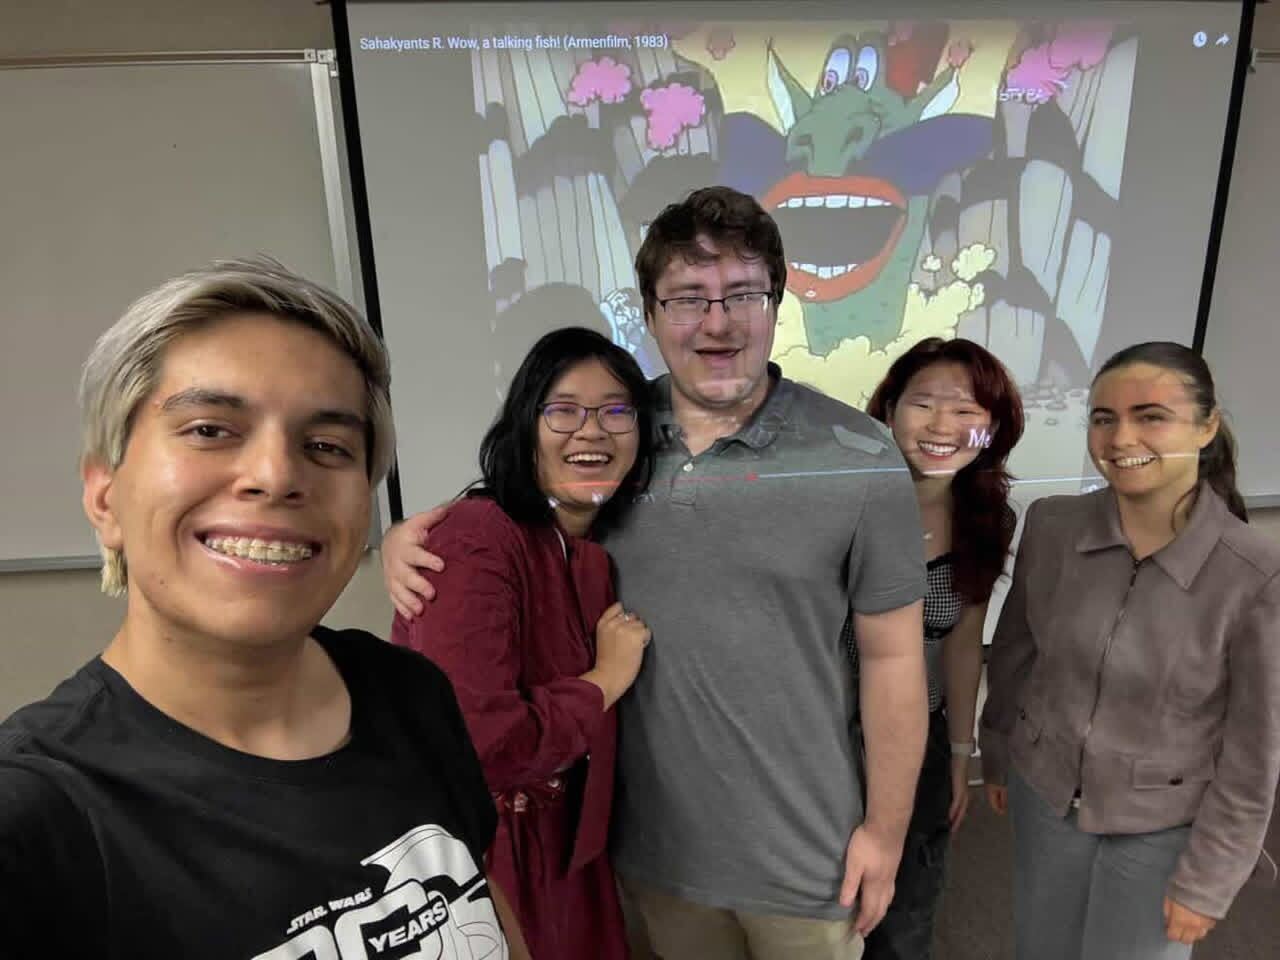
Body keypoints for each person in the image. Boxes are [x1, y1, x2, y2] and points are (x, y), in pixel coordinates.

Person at [382, 185, 930, 960]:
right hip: (644, 857)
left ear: (777, 303)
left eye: (743, 293)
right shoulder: (611, 437)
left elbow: (893, 658)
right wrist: (406, 537)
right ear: (650, 312)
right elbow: (508, 515)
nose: (717, 322)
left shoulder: (860, 455)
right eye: (687, 297)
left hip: (811, 857)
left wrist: (886, 829)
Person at [0, 258, 529, 959]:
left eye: (326, 446)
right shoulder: (36, 819)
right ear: (105, 497)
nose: (278, 476)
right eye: (210, 430)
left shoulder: (410, 693)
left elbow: (482, 900)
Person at [980, 341, 1280, 960]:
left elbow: (1254, 754)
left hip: (1163, 820)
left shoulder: (1255, 572)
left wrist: (1210, 880)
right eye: (1103, 417)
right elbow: (1015, 655)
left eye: (1151, 416)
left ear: (1206, 427)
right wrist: (999, 748)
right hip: (1047, 792)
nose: (1121, 438)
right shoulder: (1053, 524)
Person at [390, 327, 656, 960]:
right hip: (487, 854)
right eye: (563, 410)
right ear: (525, 424)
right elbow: (480, 742)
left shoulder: (590, 545)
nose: (591, 431)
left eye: (617, 411)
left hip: (567, 842)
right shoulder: (478, 535)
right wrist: (605, 682)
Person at [846, 336, 1024, 960]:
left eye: (967, 411)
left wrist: (958, 752)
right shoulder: (842, 502)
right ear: (889, 410)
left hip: (916, 732)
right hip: (825, 733)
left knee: (906, 906)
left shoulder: (987, 517)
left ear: (993, 428)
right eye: (923, 404)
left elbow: (963, 640)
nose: (941, 426)